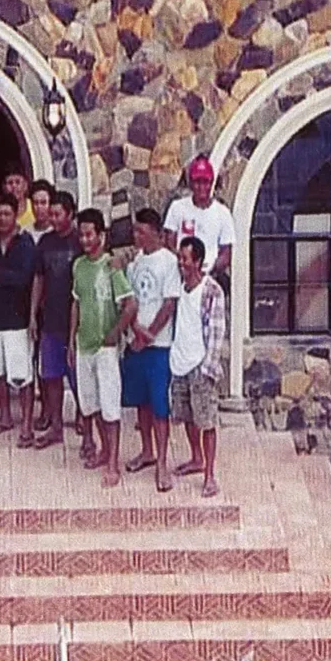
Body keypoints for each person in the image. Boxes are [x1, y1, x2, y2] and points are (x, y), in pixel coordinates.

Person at [68, 207, 133, 486]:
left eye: (89, 234)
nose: (84, 239)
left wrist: (115, 333)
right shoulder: (78, 266)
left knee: (110, 407)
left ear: (100, 235)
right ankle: (103, 450)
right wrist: (72, 340)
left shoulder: (111, 267)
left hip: (105, 349)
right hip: (84, 345)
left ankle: (112, 462)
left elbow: (130, 304)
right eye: (81, 234)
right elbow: (76, 303)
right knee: (90, 404)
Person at [123, 208, 182, 490]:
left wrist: (148, 335)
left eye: (141, 232)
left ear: (156, 233)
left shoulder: (169, 262)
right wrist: (134, 329)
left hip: (158, 345)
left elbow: (168, 304)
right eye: (135, 231)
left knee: (159, 405)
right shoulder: (134, 263)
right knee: (141, 401)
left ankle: (161, 462)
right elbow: (129, 300)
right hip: (135, 342)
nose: (136, 237)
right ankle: (146, 450)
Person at [167, 234, 227, 497]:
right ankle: (196, 458)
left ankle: (210, 475)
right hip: (179, 362)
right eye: (180, 258)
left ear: (198, 261)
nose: (181, 263)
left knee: (206, 421)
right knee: (188, 417)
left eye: (185, 259)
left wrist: (208, 368)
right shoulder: (178, 286)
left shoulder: (211, 290)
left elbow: (216, 332)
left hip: (200, 365)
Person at [0, 192, 39, 435]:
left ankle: (26, 425)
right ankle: (5, 417)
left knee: (22, 375)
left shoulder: (25, 243)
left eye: (6, 214)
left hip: (17, 319)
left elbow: (24, 278)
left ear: (15, 217)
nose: (2, 219)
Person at [30, 182, 80, 451]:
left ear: (70, 214)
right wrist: (32, 316)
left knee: (78, 376)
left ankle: (85, 423)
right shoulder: (45, 242)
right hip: (50, 318)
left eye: (59, 214)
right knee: (50, 376)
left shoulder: (80, 241)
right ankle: (56, 427)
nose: (54, 218)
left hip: (75, 322)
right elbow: (39, 278)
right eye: (52, 214)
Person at [165, 157, 237, 282]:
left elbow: (226, 253)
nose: (201, 187)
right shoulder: (177, 207)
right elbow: (169, 242)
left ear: (212, 183)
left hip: (210, 275)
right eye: (197, 182)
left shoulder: (223, 213)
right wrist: (183, 265)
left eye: (206, 182)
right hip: (181, 274)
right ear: (191, 184)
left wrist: (208, 272)